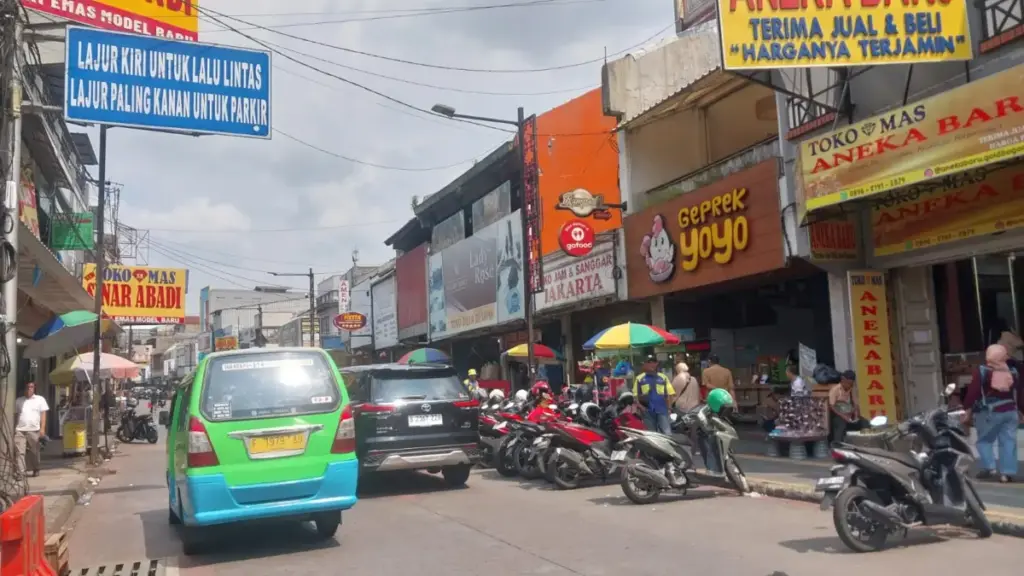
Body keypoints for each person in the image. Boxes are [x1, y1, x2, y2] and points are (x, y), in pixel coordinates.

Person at [963, 344, 1021, 483]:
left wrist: (967, 409)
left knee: (984, 441)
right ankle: (1007, 473)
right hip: (1010, 412)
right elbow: (1019, 393)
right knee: (1008, 442)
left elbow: (973, 393)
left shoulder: (983, 371)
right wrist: (1021, 410)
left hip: (989, 412)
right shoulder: (1012, 372)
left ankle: (990, 468)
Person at [632, 355, 675, 435]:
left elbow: (670, 394)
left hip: (662, 410)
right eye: (649, 362)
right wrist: (641, 407)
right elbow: (635, 396)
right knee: (651, 435)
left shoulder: (663, 377)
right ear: (645, 364)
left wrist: (669, 408)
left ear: (657, 363)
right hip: (647, 412)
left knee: (667, 433)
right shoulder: (639, 379)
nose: (651, 364)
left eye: (654, 362)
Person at [14, 382, 49, 479]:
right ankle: (21, 473)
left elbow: (43, 415)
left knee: (34, 452)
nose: (29, 388)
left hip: (34, 430)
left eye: (31, 387)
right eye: (28, 387)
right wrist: (14, 428)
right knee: (20, 452)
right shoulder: (19, 401)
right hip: (20, 430)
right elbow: (16, 415)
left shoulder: (40, 399)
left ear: (34, 388)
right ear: (24, 388)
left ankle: (36, 468)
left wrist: (42, 428)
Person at [829, 370, 866, 443]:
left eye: (851, 384)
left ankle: (865, 442)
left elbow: (855, 404)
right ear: (843, 379)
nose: (850, 386)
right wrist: (844, 416)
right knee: (840, 424)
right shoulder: (835, 390)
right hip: (838, 414)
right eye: (848, 383)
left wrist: (856, 415)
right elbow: (831, 406)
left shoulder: (852, 389)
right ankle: (838, 445)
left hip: (849, 413)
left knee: (864, 422)